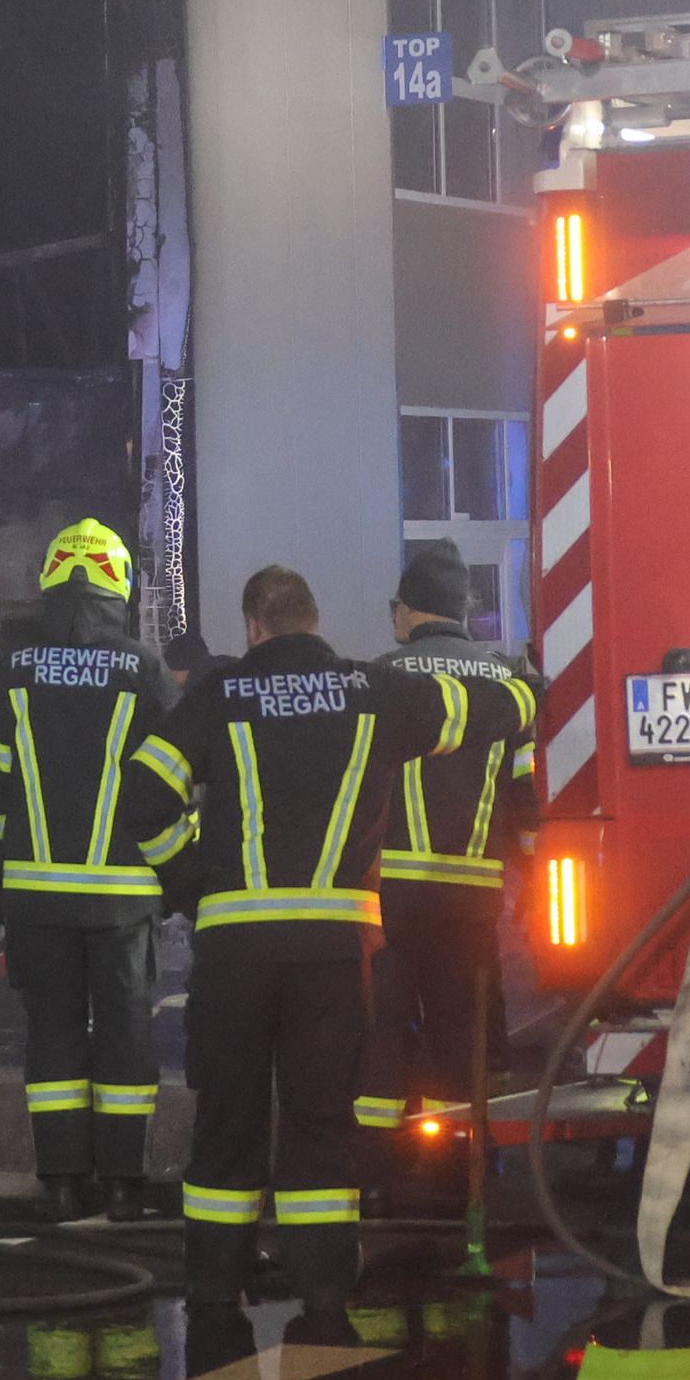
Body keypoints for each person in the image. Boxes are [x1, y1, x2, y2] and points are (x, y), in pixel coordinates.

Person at [130, 562, 533, 1315]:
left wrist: (190, 884)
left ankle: (217, 1284)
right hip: (333, 953)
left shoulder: (218, 694)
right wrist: (523, 688)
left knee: (228, 1121)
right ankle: (321, 1287)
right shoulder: (372, 692)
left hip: (236, 950)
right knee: (321, 1122)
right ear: (314, 621)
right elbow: (479, 711)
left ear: (254, 628)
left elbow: (145, 792)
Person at [0, 519, 172, 1218]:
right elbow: (172, 783)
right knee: (124, 1034)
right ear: (118, 583)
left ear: (50, 582)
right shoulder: (143, 671)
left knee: (52, 1037)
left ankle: (60, 1182)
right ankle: (122, 1185)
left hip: (34, 899)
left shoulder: (14, 672)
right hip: (122, 901)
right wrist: (180, 875)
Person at [356, 540, 536, 1156]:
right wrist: (534, 874)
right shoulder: (511, 684)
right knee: (459, 1033)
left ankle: (379, 1169)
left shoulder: (379, 677)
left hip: (390, 895)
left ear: (409, 611)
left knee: (383, 1028)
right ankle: (451, 1166)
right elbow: (526, 795)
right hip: (471, 897)